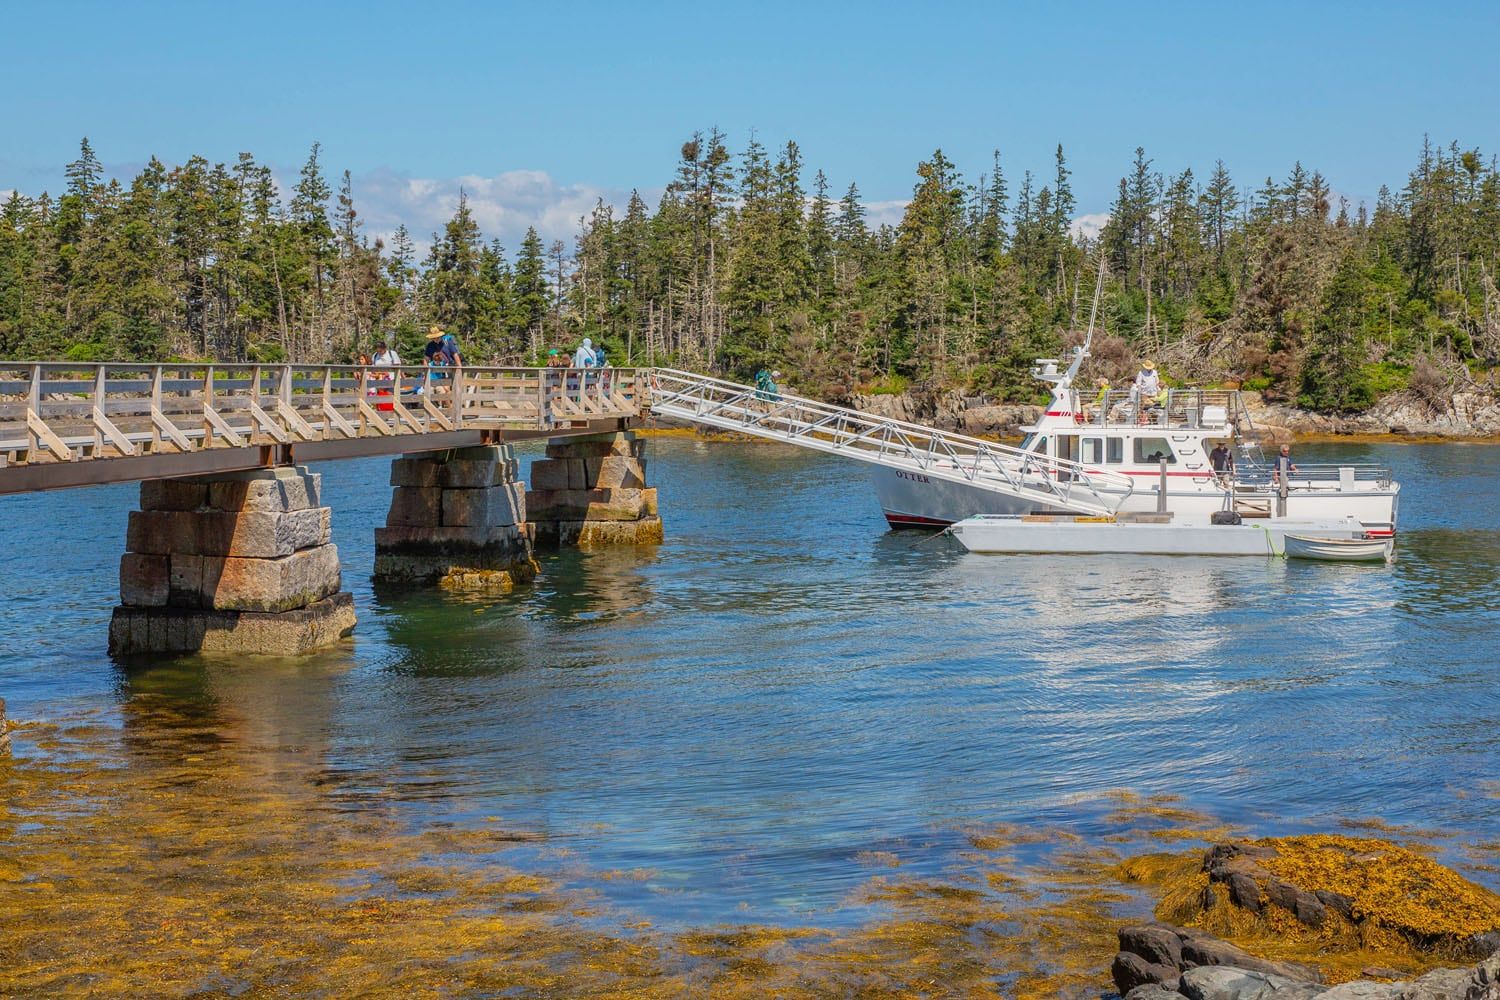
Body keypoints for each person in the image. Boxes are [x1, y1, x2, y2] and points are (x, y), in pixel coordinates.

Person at [424, 325, 462, 391]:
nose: (435, 339)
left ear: (440, 336)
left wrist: (459, 367)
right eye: (434, 338)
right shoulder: (430, 345)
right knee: (440, 390)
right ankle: (446, 400)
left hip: (448, 369)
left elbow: (455, 354)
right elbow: (426, 359)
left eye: (437, 337)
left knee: (446, 389)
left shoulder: (447, 342)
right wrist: (426, 371)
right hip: (436, 372)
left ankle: (451, 401)